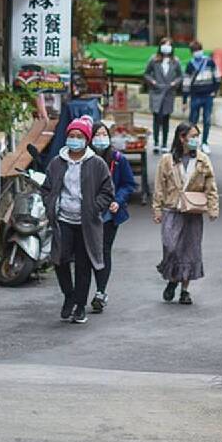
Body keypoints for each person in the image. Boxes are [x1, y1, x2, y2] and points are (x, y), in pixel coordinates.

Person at [41, 116, 114, 325]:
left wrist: (93, 208)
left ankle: (80, 306)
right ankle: (69, 296)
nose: (74, 140)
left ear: (86, 139)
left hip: (86, 223)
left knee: (83, 265)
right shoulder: (57, 163)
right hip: (63, 220)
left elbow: (107, 192)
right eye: (71, 136)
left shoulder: (97, 163)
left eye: (79, 136)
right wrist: (50, 205)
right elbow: (46, 188)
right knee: (60, 260)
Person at [153, 122, 218, 305]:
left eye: (197, 136)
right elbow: (159, 186)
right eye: (192, 136)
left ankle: (185, 290)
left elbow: (211, 186)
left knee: (190, 251)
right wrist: (157, 209)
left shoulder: (202, 160)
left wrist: (213, 208)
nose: (195, 140)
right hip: (171, 209)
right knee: (171, 246)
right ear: (182, 138)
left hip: (192, 211)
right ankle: (172, 279)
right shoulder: (167, 160)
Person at [88, 123, 137, 313]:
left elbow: (128, 183)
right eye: (97, 134)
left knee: (104, 250)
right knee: (87, 253)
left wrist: (118, 200)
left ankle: (100, 292)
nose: (101, 138)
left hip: (110, 214)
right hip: (87, 213)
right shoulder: (85, 159)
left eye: (103, 134)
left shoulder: (117, 159)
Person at [141, 42, 184, 150]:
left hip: (169, 92)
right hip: (156, 91)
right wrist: (153, 82)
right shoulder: (154, 60)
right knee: (156, 117)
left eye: (169, 45)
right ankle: (156, 142)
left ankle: (164, 143)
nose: (166, 47)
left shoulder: (175, 61)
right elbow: (146, 74)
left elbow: (180, 76)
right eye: (164, 45)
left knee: (166, 118)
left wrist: (175, 83)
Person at [184, 42, 219, 142]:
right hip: (195, 96)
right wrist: (185, 99)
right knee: (192, 121)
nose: (197, 52)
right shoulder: (190, 64)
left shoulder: (210, 62)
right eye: (195, 51)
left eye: (198, 50)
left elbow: (217, 77)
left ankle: (204, 142)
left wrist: (214, 91)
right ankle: (192, 141)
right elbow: (186, 82)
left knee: (207, 120)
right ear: (192, 53)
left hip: (208, 95)